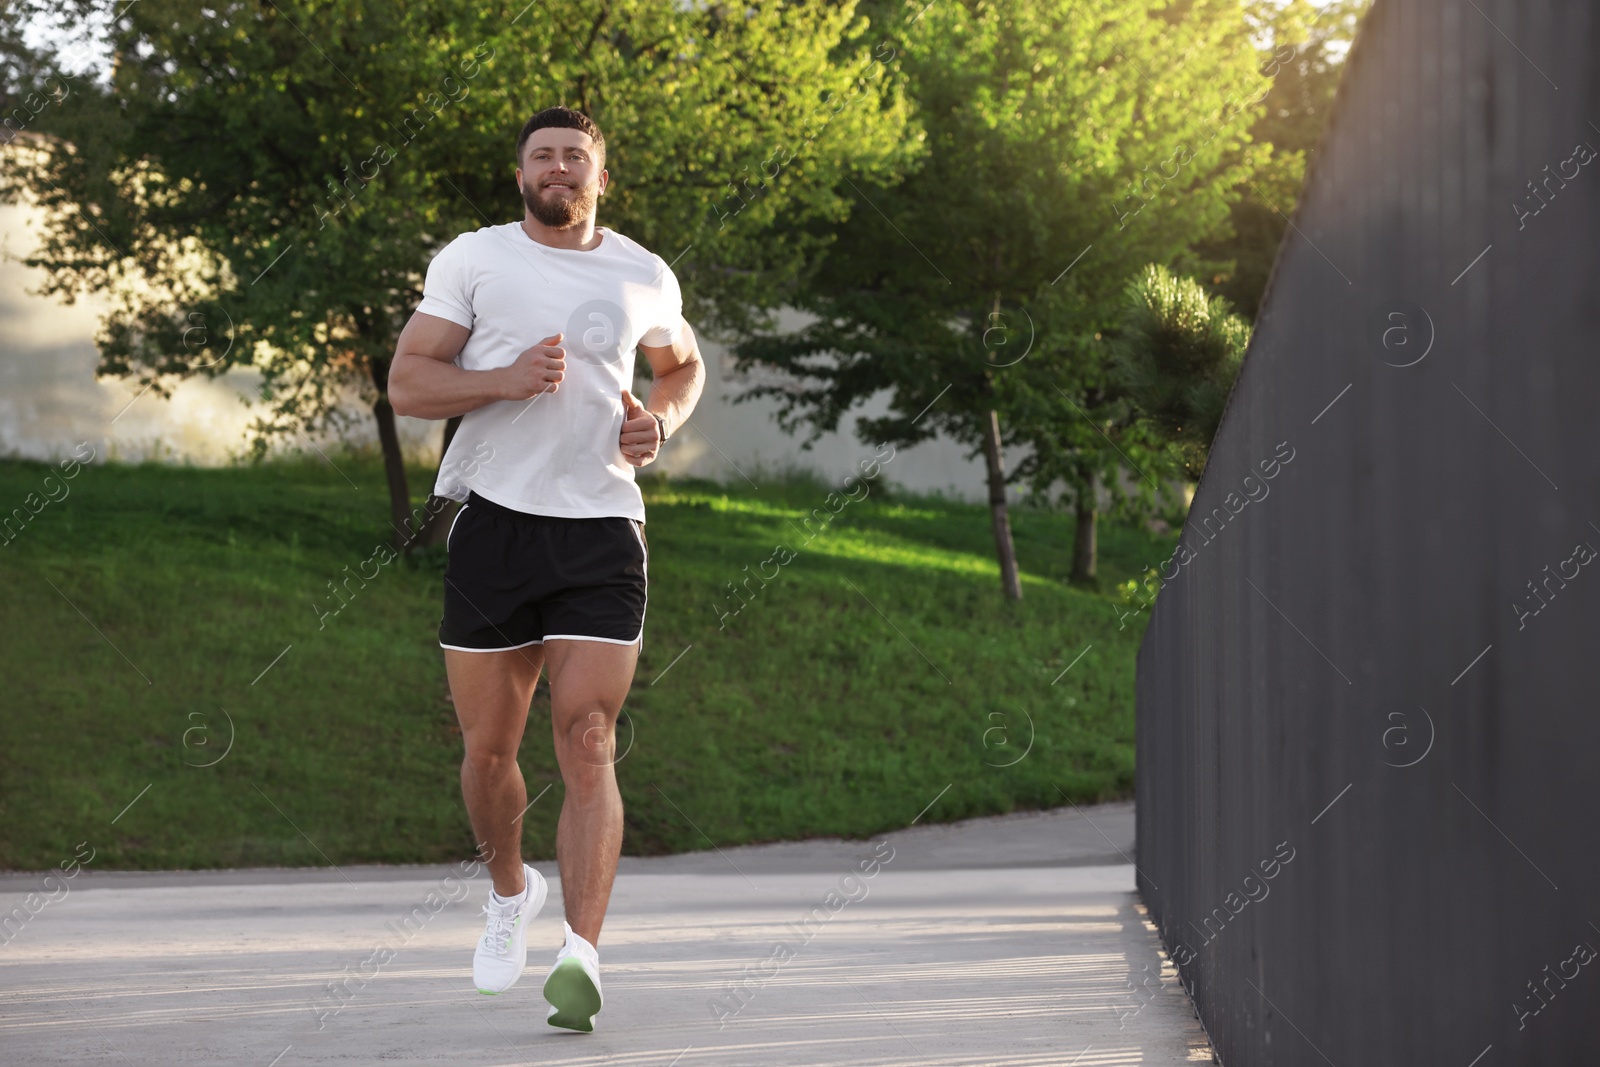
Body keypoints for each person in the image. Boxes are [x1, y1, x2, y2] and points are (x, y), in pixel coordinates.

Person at [388, 105, 705, 1033]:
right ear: (520, 173)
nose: (559, 168)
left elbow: (681, 366)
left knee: (590, 735)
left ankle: (583, 955)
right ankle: (506, 891)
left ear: (601, 175)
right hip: (493, 522)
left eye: (576, 157)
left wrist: (662, 420)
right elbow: (408, 383)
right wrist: (502, 379)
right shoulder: (475, 258)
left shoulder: (644, 271)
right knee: (489, 753)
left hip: (602, 527)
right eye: (543, 156)